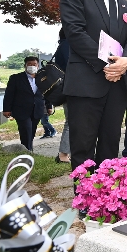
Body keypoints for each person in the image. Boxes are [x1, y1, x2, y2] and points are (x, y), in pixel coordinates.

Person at [60, 0, 127, 171]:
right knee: (83, 147)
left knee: (110, 146)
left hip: (117, 86)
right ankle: (85, 201)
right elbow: (74, 32)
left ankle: (107, 199)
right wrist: (107, 63)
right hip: (86, 80)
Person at [2, 56, 53, 152]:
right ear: (25, 66)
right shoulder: (16, 78)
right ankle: (28, 151)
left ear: (38, 66)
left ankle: (28, 149)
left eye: (34, 64)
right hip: (21, 110)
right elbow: (9, 94)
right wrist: (6, 109)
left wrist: (49, 106)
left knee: (32, 131)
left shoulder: (42, 79)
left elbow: (47, 93)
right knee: (26, 130)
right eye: (29, 64)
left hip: (37, 110)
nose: (32, 66)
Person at [54, 28, 71, 164]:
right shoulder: (67, 46)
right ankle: (63, 154)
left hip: (67, 88)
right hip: (70, 88)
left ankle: (65, 152)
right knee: (71, 122)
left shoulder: (62, 46)